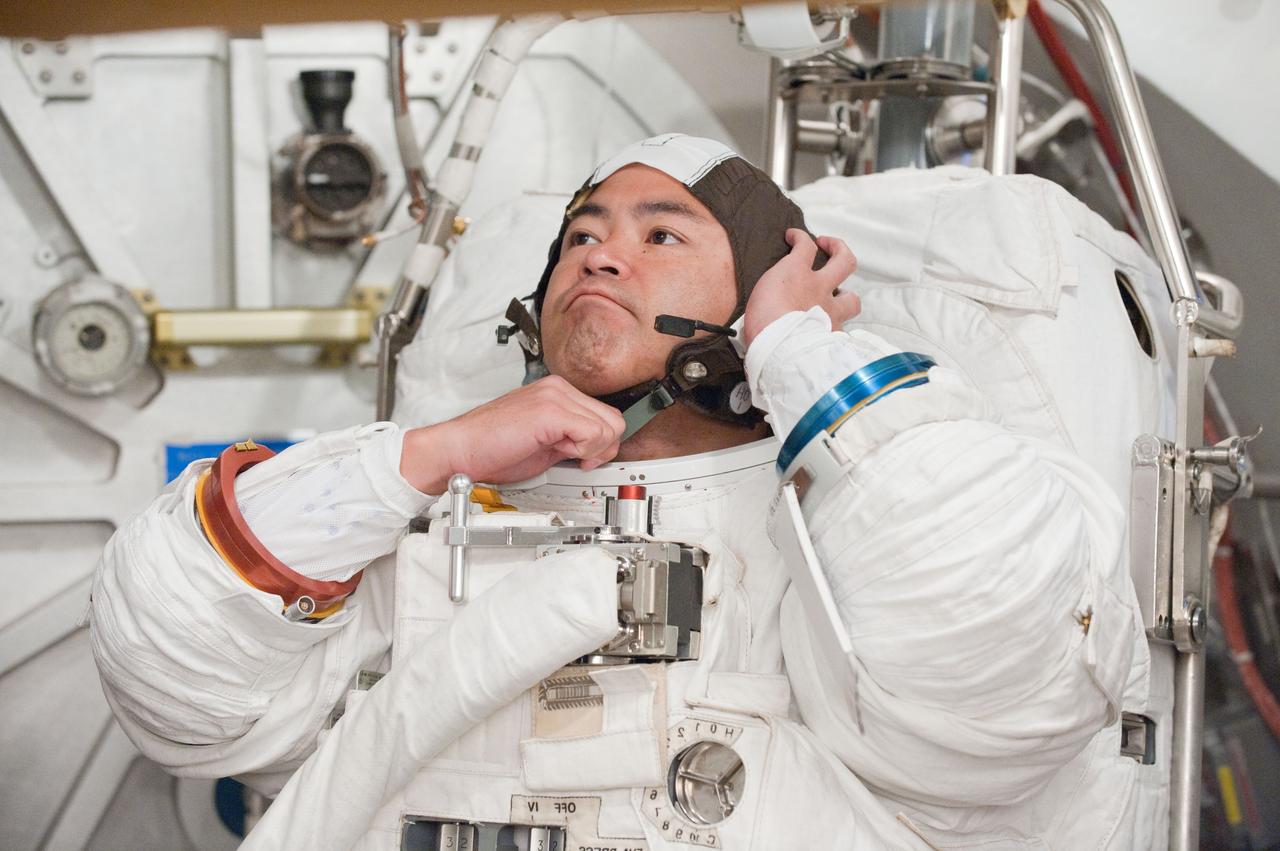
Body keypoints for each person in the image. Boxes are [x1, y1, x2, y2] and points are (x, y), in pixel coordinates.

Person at [90, 134, 1154, 850]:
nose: (598, 257)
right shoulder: (443, 503)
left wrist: (795, 352)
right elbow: (184, 687)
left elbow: (990, 684)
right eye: (581, 235)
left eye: (660, 235)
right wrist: (431, 451)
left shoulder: (843, 499)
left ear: (756, 287)